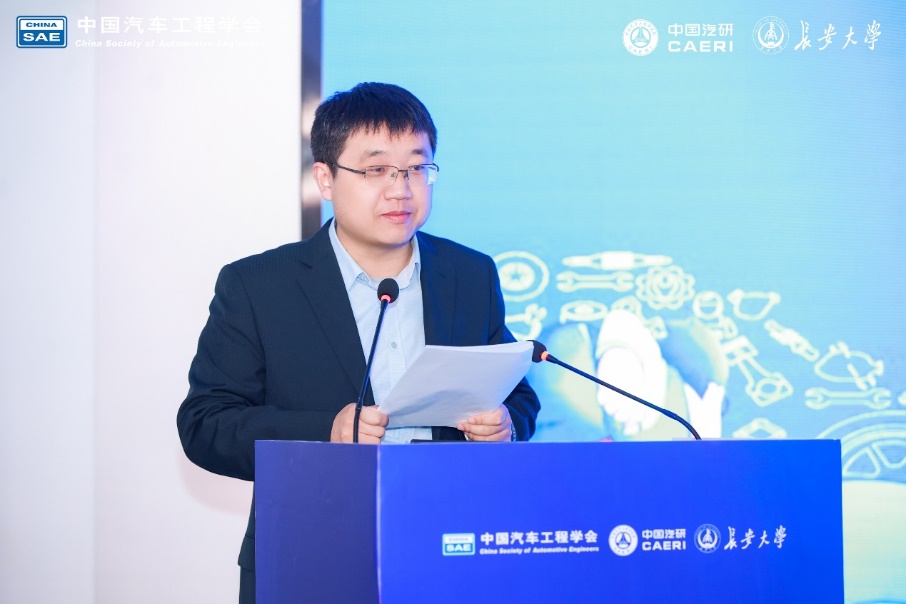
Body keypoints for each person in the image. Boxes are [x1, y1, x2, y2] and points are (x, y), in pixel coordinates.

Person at [176, 82, 541, 603]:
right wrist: (326, 431)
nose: (401, 189)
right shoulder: (258, 286)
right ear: (325, 178)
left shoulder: (469, 274)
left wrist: (504, 426)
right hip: (309, 555)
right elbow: (205, 424)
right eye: (376, 170)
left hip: (452, 546)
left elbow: (516, 393)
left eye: (416, 167)